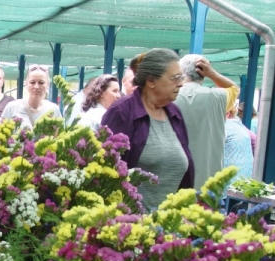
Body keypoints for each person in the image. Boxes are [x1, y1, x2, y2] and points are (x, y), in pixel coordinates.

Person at [102, 48, 195, 210]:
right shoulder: (122, 112)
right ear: (151, 81)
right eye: (174, 78)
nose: (180, 83)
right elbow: (104, 171)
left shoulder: (175, 114)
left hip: (171, 226)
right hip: (129, 226)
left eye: (181, 77)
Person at [174, 54, 238, 189]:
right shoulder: (219, 98)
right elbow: (234, 88)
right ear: (203, 73)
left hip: (174, 178)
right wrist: (212, 74)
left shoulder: (167, 97)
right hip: (208, 182)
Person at [1, 64, 61, 129]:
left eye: (41, 83)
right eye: (32, 82)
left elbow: (57, 137)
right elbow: (1, 136)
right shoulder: (12, 108)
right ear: (26, 83)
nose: (36, 87)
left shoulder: (54, 109)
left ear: (48, 85)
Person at [224, 104, 254, 182]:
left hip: (229, 183)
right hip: (245, 180)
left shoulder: (225, 127)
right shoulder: (240, 126)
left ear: (227, 113)